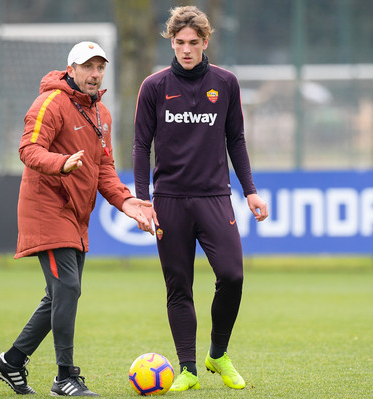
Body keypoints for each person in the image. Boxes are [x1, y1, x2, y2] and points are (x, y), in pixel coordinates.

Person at [0, 41, 153, 397]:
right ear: (72, 70)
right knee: (68, 289)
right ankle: (65, 377)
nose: (95, 74)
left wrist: (126, 203)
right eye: (88, 67)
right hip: (47, 210)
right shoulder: (50, 101)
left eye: (100, 67)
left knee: (59, 295)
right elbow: (28, 149)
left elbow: (104, 169)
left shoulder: (101, 115)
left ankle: (11, 361)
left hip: (76, 216)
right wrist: (60, 163)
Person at [133, 5, 268, 392]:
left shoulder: (225, 83)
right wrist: (143, 200)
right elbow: (141, 146)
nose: (186, 49)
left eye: (194, 42)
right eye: (179, 43)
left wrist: (251, 192)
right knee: (179, 287)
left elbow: (236, 140)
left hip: (214, 198)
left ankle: (218, 353)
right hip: (170, 200)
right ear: (171, 43)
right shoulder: (154, 87)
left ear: (206, 42)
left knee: (232, 275)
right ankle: (188, 368)